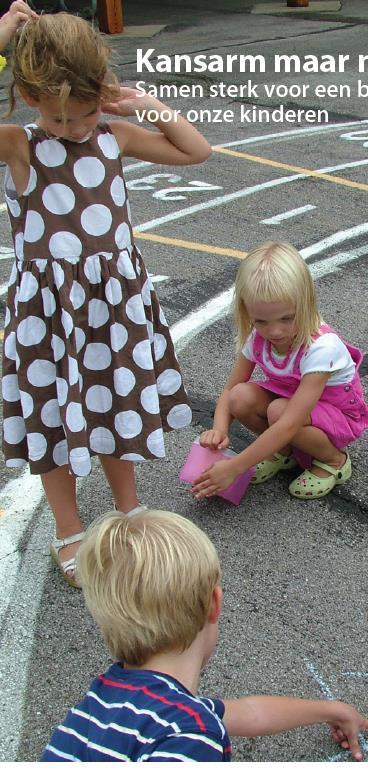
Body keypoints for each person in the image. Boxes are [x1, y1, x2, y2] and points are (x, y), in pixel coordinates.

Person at [0, 8, 211, 586]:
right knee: (53, 419)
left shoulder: (113, 134)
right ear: (26, 96)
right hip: (49, 317)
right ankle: (68, 528)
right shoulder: (19, 144)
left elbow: (196, 151)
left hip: (113, 310)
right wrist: (1, 44)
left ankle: (129, 510)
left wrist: (142, 103)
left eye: (86, 112)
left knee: (115, 407)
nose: (73, 128)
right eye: (58, 116)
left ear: (104, 95)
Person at [41, 510, 368, 761]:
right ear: (214, 604)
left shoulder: (108, 698)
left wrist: (331, 709)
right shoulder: (189, 739)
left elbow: (248, 713)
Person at [192, 241, 368, 500]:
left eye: (287, 318)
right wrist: (219, 429)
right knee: (240, 397)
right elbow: (230, 389)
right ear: (247, 312)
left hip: (337, 415)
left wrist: (235, 466)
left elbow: (289, 422)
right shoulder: (257, 337)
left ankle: (334, 461)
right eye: (261, 321)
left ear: (306, 303)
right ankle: (284, 452)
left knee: (279, 412)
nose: (275, 331)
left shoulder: (321, 346)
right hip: (293, 407)